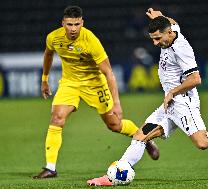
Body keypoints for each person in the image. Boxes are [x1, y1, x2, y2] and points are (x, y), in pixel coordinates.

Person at [87, 8, 208, 186]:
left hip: (183, 102)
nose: (155, 43)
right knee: (140, 136)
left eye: (158, 38)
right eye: (153, 39)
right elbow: (173, 22)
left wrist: (172, 92)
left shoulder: (181, 49)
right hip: (170, 103)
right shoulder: (171, 31)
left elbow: (195, 79)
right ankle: (112, 176)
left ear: (168, 33)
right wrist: (160, 16)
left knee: (202, 142)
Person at [33, 6, 159, 179]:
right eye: (69, 24)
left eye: (77, 24)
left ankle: (145, 138)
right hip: (70, 83)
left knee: (114, 125)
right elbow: (48, 54)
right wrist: (44, 80)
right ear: (63, 23)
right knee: (57, 118)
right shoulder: (53, 37)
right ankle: (50, 167)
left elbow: (108, 72)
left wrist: (116, 103)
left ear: (82, 23)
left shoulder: (90, 40)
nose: (73, 29)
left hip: (95, 85)